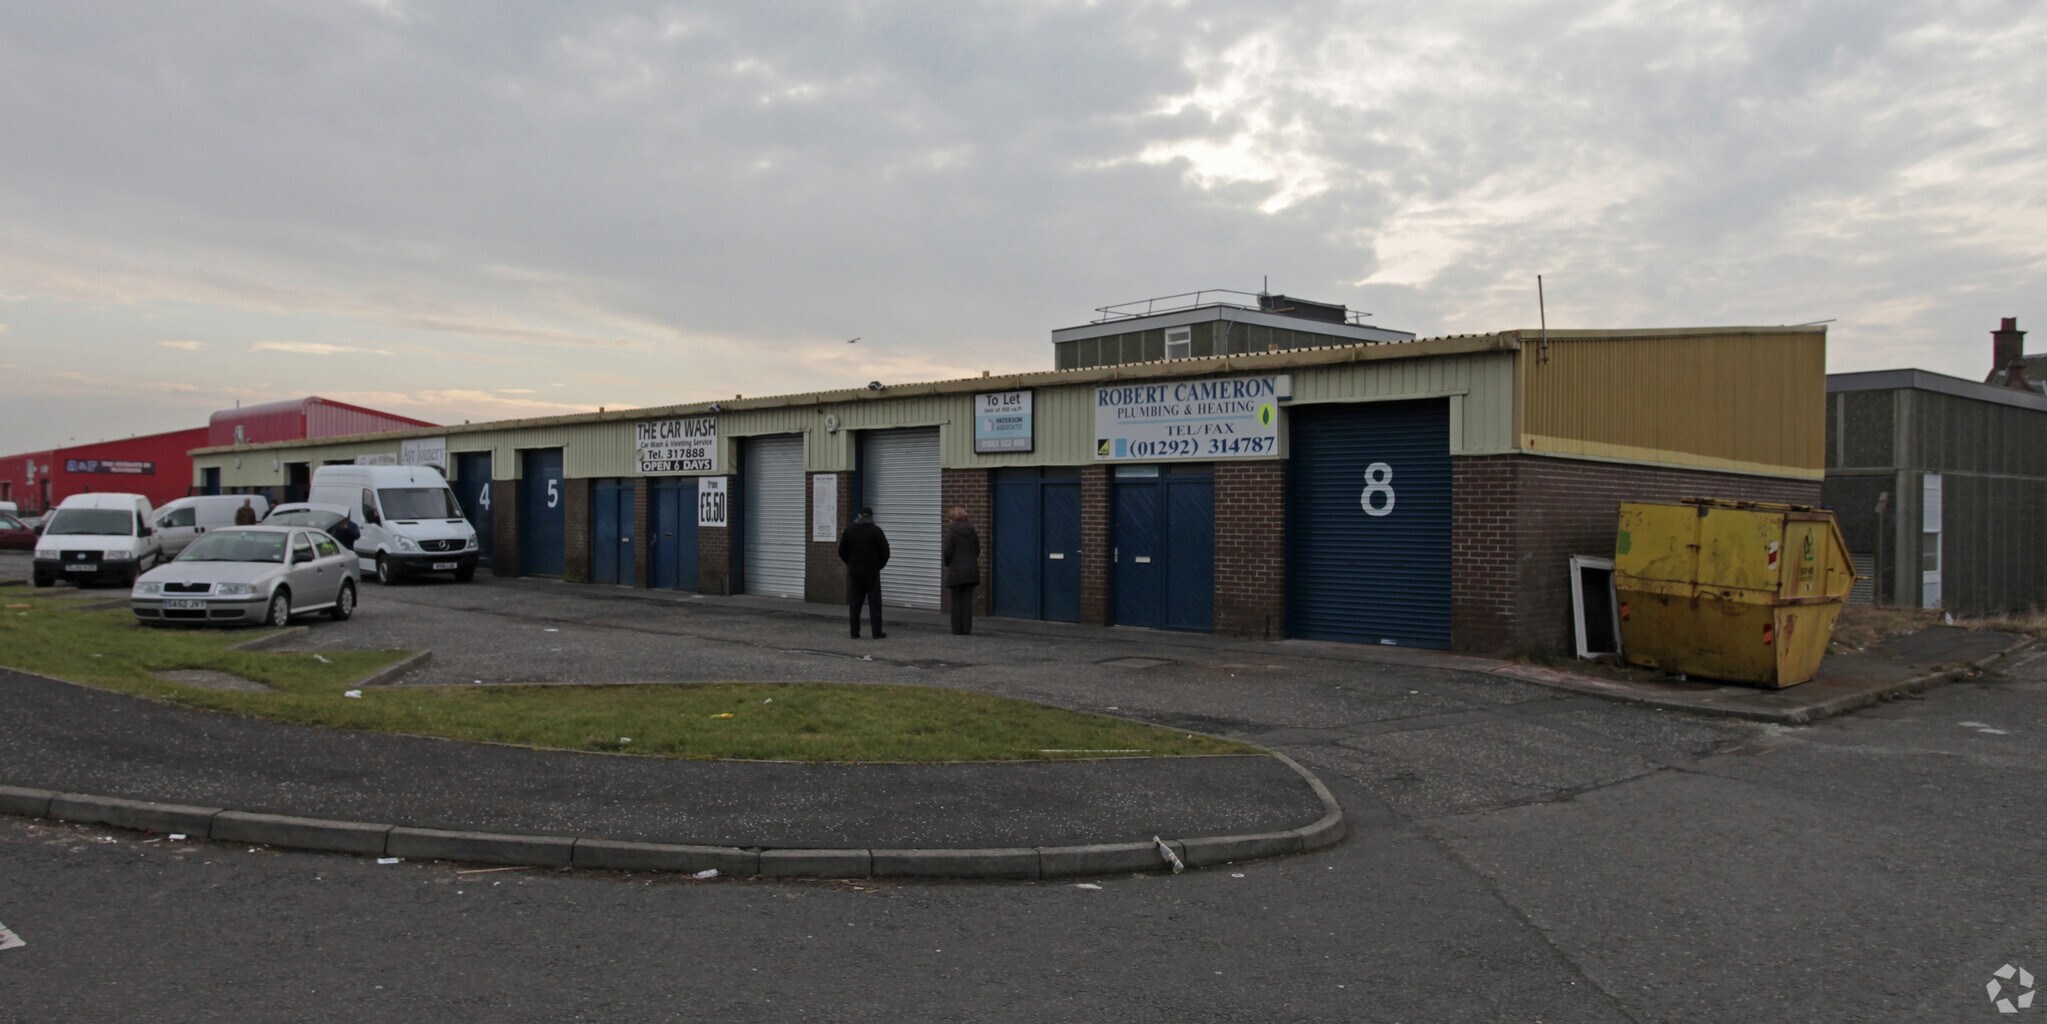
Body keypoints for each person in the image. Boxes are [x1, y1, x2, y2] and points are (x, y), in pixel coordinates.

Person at [838, 506, 891, 639]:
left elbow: (841, 551)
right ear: (871, 517)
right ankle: (876, 632)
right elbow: (885, 551)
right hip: (872, 572)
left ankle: (854, 632)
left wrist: (850, 563)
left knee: (855, 603)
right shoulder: (876, 531)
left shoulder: (849, 530)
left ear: (859, 515)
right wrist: (879, 566)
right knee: (875, 603)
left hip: (854, 572)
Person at [942, 506, 981, 635]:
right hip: (971, 570)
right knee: (967, 601)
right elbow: (977, 549)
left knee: (956, 601)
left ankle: (956, 629)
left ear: (953, 519)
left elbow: (948, 550)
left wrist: (947, 563)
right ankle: (966, 629)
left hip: (956, 571)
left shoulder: (952, 531)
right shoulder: (972, 530)